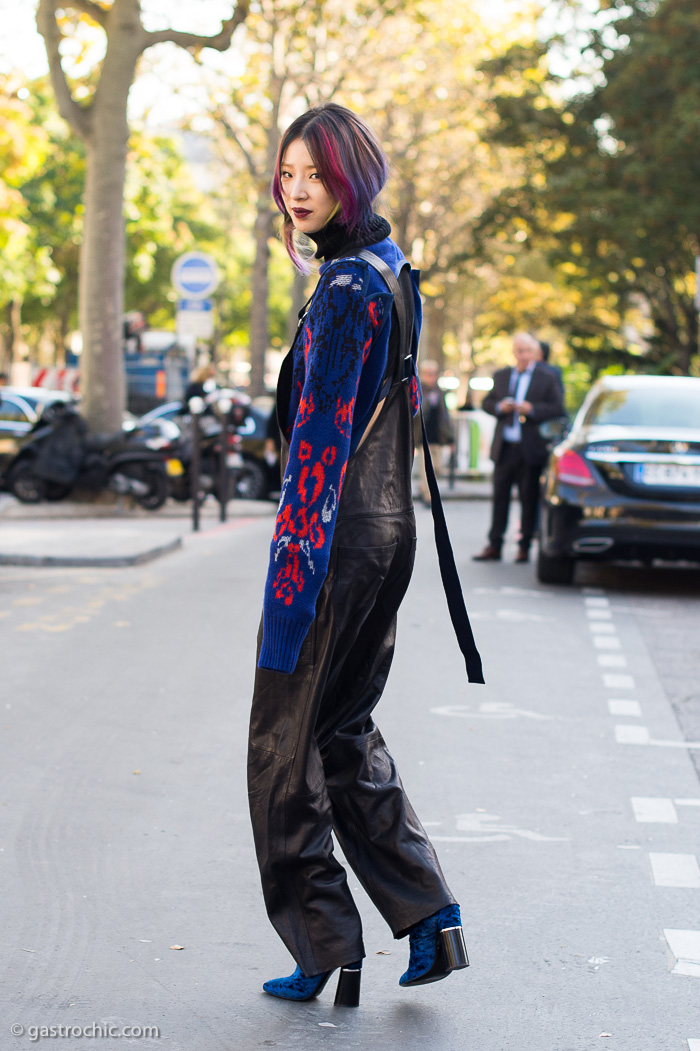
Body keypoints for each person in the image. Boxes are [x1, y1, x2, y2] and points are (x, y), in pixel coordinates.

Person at [248, 103, 469, 1008]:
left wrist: (291, 574)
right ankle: (430, 917)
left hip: (329, 538)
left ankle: (323, 940)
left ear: (353, 176)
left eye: (316, 174)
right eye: (288, 174)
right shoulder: (387, 269)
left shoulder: (345, 288)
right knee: (341, 730)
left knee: (281, 745)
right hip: (388, 532)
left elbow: (319, 442)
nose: (298, 191)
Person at [473, 332, 564, 563]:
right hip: (505, 448)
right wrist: (500, 407)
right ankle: (494, 545)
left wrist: (531, 409)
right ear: (514, 352)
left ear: (535, 353)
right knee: (500, 498)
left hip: (531, 449)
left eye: (528, 351)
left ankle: (524, 547)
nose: (523, 355)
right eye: (520, 351)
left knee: (528, 499)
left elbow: (557, 409)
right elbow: (486, 402)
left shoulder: (547, 377)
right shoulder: (502, 375)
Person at [413, 359, 453, 505]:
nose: (431, 377)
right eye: (428, 374)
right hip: (422, 436)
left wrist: (451, 437)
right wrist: (428, 401)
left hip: (437, 436)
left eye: (434, 374)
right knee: (425, 468)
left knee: (438, 468)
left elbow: (445, 416)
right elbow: (416, 413)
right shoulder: (417, 390)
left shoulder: (440, 392)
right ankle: (429, 497)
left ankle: (423, 487)